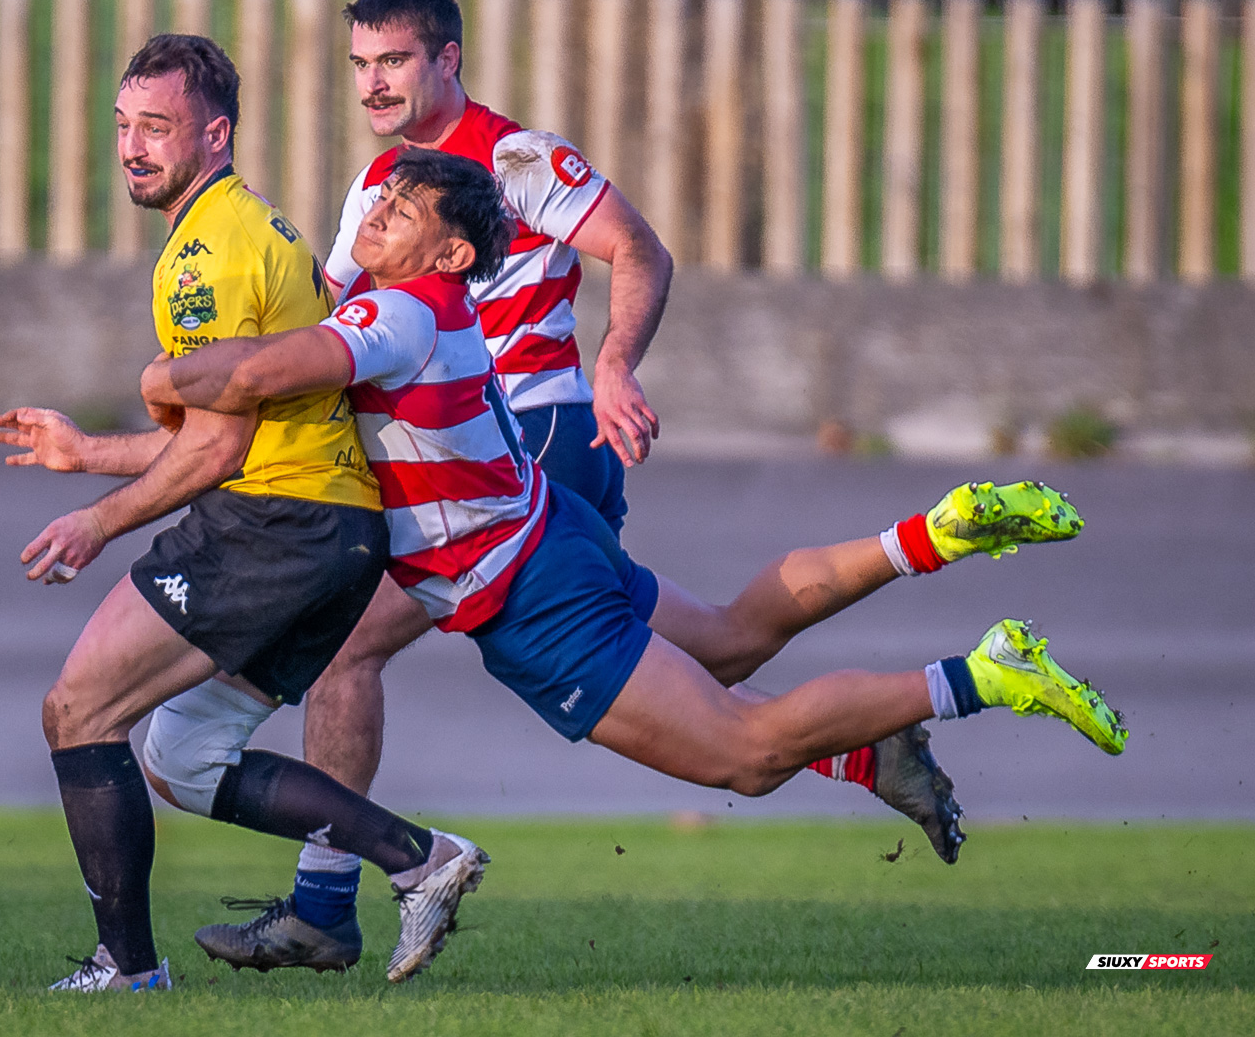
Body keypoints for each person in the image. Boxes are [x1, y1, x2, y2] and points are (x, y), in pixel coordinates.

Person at [142, 148, 1126, 972]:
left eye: (406, 207)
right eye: (385, 196)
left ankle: (980, 673)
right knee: (736, 640)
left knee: (746, 752)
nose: (380, 208)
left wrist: (161, 375)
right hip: (556, 542)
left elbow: (262, 373)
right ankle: (932, 534)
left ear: (448, 250)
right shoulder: (414, 307)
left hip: (534, 598)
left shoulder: (397, 315)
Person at [188, 0, 960, 974]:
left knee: (344, 650)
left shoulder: (514, 157)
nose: (374, 84)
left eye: (394, 62)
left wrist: (614, 362)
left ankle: (324, 905)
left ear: (448, 59)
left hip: (535, 436)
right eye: (362, 66)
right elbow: (334, 325)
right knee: (709, 652)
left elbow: (638, 251)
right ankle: (866, 742)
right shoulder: (382, 190)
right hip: (483, 446)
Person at [0, 35, 486, 992]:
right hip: (330, 531)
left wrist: (98, 518)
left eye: (158, 128)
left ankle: (126, 970)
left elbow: (218, 449)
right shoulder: (244, 227)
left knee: (78, 710)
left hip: (274, 523)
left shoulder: (204, 256)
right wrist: (88, 450)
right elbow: (235, 427)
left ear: (214, 134)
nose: (133, 147)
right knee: (183, 754)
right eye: (125, 126)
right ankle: (419, 857)